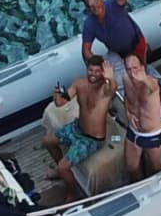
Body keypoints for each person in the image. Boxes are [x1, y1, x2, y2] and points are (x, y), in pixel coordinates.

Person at [43, 55, 117, 200]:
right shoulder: (79, 83)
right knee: (47, 141)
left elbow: (112, 88)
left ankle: (72, 192)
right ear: (86, 69)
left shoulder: (105, 89)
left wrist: (110, 78)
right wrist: (56, 94)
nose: (94, 74)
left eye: (98, 71)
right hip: (77, 128)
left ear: (103, 72)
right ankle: (60, 172)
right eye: (91, 70)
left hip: (92, 139)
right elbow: (61, 103)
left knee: (63, 167)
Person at [82, 0, 148, 89]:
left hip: (136, 44)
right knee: (128, 77)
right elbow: (86, 49)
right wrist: (97, 65)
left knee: (140, 71)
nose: (96, 7)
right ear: (88, 9)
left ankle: (145, 85)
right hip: (118, 52)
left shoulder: (113, 4)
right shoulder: (89, 24)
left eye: (96, 2)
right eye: (91, 6)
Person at [122, 53, 161, 181]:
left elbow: (154, 87)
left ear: (141, 66)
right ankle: (139, 186)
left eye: (135, 68)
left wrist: (144, 79)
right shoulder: (126, 79)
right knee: (131, 167)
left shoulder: (151, 83)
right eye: (128, 69)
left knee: (156, 166)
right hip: (134, 130)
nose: (132, 72)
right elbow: (126, 97)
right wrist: (128, 113)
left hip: (150, 133)